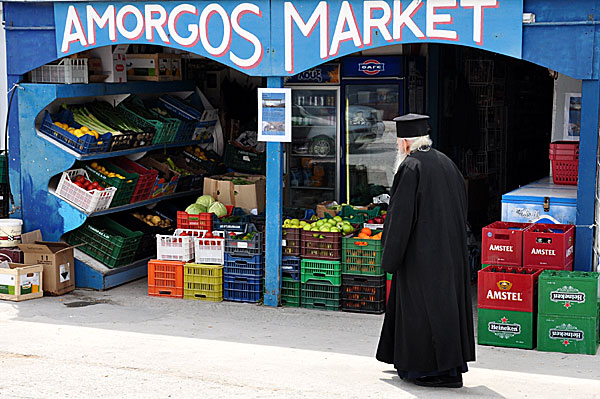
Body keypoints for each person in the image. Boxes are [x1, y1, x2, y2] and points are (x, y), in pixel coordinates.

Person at [376, 114, 475, 388]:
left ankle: (429, 371)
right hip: (450, 254)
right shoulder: (447, 163)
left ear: (405, 142)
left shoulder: (411, 167)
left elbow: (400, 217)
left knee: (423, 314)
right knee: (445, 311)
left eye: (398, 142)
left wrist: (391, 256)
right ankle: (448, 367)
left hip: (421, 257)